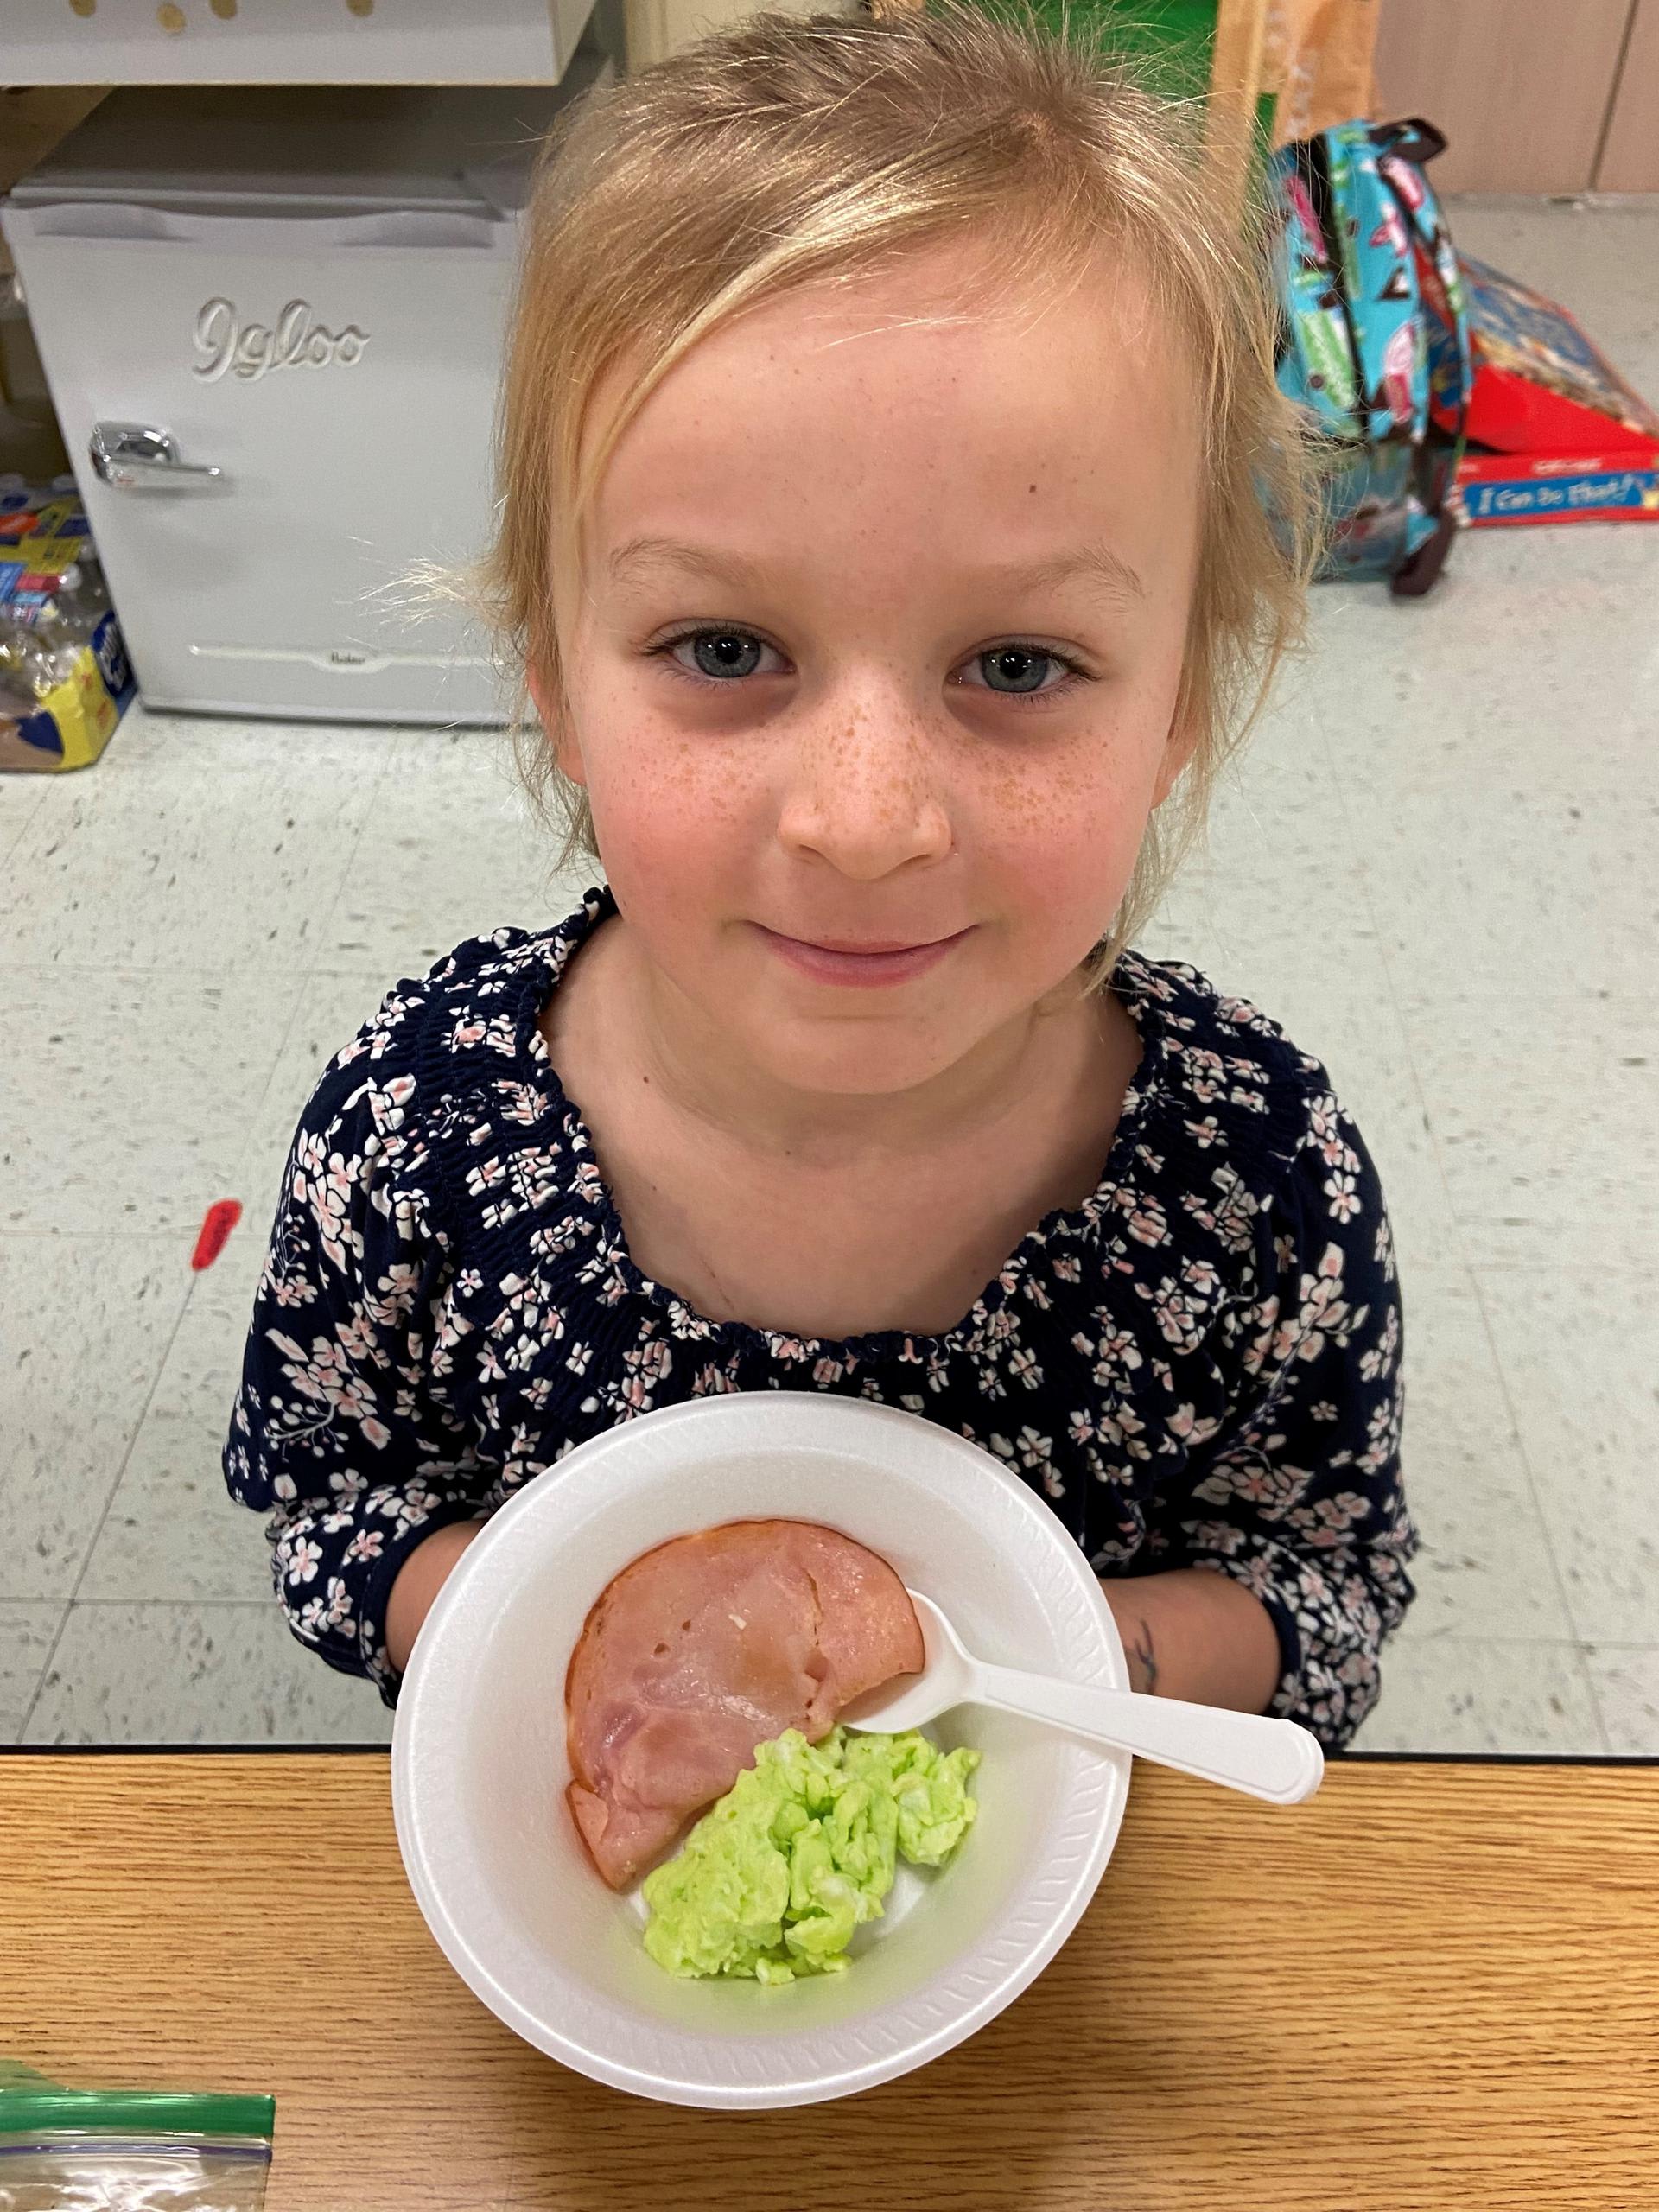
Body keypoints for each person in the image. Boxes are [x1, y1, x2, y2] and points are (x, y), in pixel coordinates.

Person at [224, 3, 1414, 1748]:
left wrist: (1029, 1658)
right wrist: (604, 1652)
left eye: (1017, 665)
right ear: (552, 674)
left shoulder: (1257, 1183)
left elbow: (1323, 1596)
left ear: (1181, 703)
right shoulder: (416, 1133)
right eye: (725, 648)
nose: (865, 822)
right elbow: (333, 1511)